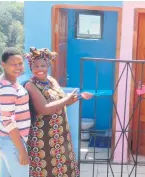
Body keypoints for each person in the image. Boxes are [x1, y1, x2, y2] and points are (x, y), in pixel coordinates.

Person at [24, 47, 93, 177]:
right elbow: (44, 109)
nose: (39, 69)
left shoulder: (52, 81)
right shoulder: (31, 85)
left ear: (48, 65)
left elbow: (63, 102)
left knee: (64, 168)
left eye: (43, 65)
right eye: (36, 66)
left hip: (60, 134)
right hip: (42, 138)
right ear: (30, 67)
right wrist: (67, 99)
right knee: (46, 170)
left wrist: (79, 96)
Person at [0, 47, 30, 177]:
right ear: (3, 65)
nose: (18, 67)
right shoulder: (8, 88)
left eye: (20, 63)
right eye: (13, 64)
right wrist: (21, 150)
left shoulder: (3, 81)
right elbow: (8, 120)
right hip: (12, 141)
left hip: (6, 138)